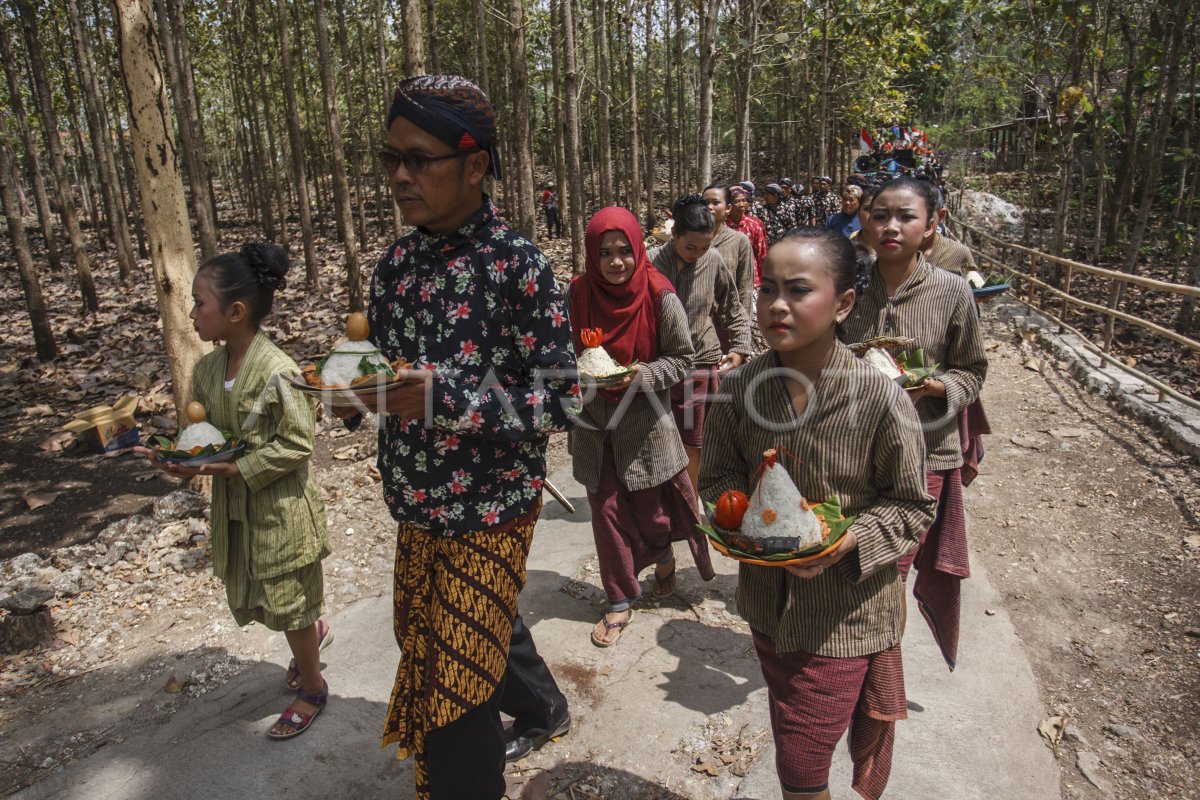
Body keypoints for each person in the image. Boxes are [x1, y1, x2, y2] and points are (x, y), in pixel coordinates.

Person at [357, 75, 578, 798]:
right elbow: (387, 378)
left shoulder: (518, 268)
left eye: (419, 159)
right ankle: (524, 722)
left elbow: (560, 398)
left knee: (458, 695)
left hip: (490, 513)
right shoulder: (393, 269)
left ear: (475, 165)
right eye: (390, 157)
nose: (399, 176)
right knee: (428, 662)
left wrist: (446, 399)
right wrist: (357, 396)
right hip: (415, 510)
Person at [699, 227, 936, 800]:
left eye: (799, 290)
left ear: (843, 304)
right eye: (767, 290)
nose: (777, 305)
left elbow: (911, 506)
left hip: (845, 616)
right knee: (791, 733)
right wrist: (745, 513)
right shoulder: (741, 387)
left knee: (801, 769)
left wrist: (847, 541)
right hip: (766, 604)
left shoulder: (878, 398)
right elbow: (717, 478)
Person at [135, 244, 333, 740]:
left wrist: (234, 467)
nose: (191, 313)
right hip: (235, 511)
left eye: (199, 302)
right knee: (262, 597)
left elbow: (298, 441)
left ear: (235, 312)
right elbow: (202, 439)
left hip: (278, 508)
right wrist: (179, 461)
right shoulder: (204, 372)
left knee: (288, 598)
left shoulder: (278, 371)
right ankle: (313, 634)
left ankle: (312, 688)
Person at [840, 176, 989, 671]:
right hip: (854, 451)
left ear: (932, 225)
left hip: (925, 453)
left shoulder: (951, 293)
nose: (890, 226)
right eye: (879, 215)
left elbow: (972, 369)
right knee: (855, 565)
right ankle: (862, 659)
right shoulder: (848, 289)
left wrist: (941, 386)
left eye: (906, 216)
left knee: (891, 571)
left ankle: (881, 670)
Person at [568, 207, 714, 647]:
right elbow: (561, 349)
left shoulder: (657, 293)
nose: (616, 262)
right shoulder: (576, 294)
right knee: (606, 510)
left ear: (637, 251)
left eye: (624, 252)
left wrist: (643, 376)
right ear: (592, 255)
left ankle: (664, 557)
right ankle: (618, 599)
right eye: (605, 253)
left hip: (646, 423)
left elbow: (683, 357)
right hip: (595, 423)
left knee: (652, 512)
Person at [649, 194, 753, 496]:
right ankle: (663, 500)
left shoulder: (713, 260)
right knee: (658, 437)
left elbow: (733, 307)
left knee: (694, 442)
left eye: (705, 246)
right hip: (658, 364)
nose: (698, 253)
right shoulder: (651, 261)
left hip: (700, 362)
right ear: (674, 235)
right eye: (690, 246)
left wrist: (740, 346)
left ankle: (690, 503)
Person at [702, 181, 756, 324]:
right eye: (705, 203)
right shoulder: (692, 240)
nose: (709, 207)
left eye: (715, 203)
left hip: (726, 321)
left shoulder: (739, 241)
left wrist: (744, 324)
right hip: (695, 320)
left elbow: (745, 285)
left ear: (728, 208)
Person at [919, 193, 977, 276]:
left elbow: (973, 284)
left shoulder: (959, 253)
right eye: (906, 217)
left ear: (941, 215)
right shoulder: (895, 254)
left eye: (927, 218)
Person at [726, 185, 768, 285]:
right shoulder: (722, 226)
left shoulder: (754, 225)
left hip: (751, 279)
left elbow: (761, 255)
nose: (741, 205)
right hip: (728, 279)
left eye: (743, 200)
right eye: (736, 201)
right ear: (728, 205)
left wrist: (763, 280)